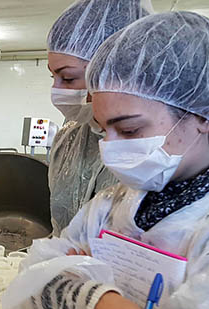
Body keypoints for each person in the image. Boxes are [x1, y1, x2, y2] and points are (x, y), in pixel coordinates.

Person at [4, 11, 209, 309]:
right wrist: (95, 305)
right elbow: (27, 287)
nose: (112, 148)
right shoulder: (114, 203)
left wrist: (74, 290)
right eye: (103, 130)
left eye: (130, 130)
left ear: (201, 114)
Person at [46, 0, 151, 235]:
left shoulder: (160, 147)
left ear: (115, 71)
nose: (57, 91)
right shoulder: (69, 139)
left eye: (69, 78)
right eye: (52, 77)